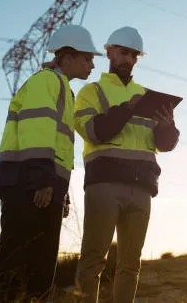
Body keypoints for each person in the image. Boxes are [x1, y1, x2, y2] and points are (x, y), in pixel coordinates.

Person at [0, 24, 102, 302]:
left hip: (44, 187)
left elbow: (58, 147)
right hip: (27, 186)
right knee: (16, 268)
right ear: (67, 57)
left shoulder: (62, 89)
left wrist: (60, 194)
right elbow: (37, 131)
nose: (92, 64)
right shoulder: (46, 81)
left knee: (40, 269)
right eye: (87, 58)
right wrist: (42, 181)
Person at [74, 26, 180, 303]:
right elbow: (95, 132)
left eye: (134, 56)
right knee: (93, 260)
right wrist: (128, 108)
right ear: (109, 52)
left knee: (131, 265)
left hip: (142, 188)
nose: (129, 60)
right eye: (123, 53)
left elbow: (166, 145)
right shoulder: (91, 92)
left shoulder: (148, 95)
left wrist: (167, 127)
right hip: (104, 185)